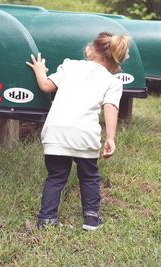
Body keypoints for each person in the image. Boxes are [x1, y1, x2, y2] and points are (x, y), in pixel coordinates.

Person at [26, 32, 130, 231]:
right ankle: (91, 219)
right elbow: (110, 108)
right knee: (89, 176)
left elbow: (46, 85)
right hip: (85, 134)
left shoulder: (70, 66)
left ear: (90, 49)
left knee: (56, 176)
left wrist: (40, 70)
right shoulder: (113, 81)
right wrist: (110, 138)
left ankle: (47, 219)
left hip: (56, 131)